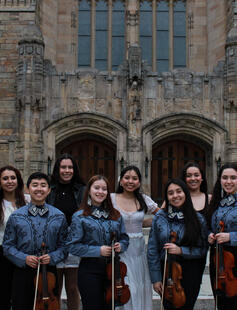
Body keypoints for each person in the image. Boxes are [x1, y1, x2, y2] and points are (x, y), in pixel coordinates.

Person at [3, 172, 68, 310]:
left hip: (49, 274)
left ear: (49, 190)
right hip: (23, 272)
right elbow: (8, 247)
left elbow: (65, 246)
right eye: (35, 185)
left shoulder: (59, 216)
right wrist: (24, 258)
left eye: (43, 185)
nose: (39, 189)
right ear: (27, 189)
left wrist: (52, 257)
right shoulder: (16, 216)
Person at [67, 175, 129, 310]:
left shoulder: (116, 215)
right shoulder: (80, 216)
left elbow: (124, 238)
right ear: (89, 190)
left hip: (113, 269)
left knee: (109, 306)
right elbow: (72, 246)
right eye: (97, 188)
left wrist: (121, 245)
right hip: (90, 270)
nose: (100, 192)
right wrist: (97, 251)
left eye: (104, 189)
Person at [147, 178, 208, 310]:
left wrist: (181, 251)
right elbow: (152, 249)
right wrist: (156, 278)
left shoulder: (198, 219)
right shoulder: (160, 217)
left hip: (190, 271)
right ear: (167, 197)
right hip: (166, 269)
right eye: (170, 193)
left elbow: (203, 250)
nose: (175, 196)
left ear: (185, 193)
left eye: (179, 191)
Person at [110, 165, 159, 310]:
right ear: (120, 181)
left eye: (134, 178)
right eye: (127, 178)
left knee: (138, 287)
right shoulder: (111, 198)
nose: (130, 181)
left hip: (138, 251)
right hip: (120, 249)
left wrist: (143, 223)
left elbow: (160, 216)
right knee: (125, 285)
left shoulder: (144, 199)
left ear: (139, 182)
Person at [47, 153, 85, 310]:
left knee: (72, 288)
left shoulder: (82, 190)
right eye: (63, 167)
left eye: (70, 167)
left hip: (74, 242)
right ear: (57, 169)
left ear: (74, 170)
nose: (67, 170)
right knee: (54, 287)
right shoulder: (49, 189)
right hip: (53, 243)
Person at [0, 165, 30, 310]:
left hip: (22, 254)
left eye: (13, 178)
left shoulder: (26, 202)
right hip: (2, 254)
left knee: (21, 296)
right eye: (5, 178)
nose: (9, 181)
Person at [207, 163, 237, 310]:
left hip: (234, 259)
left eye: (233, 178)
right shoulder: (217, 202)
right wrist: (209, 235)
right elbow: (208, 226)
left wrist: (231, 237)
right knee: (221, 302)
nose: (228, 181)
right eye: (225, 178)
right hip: (218, 258)